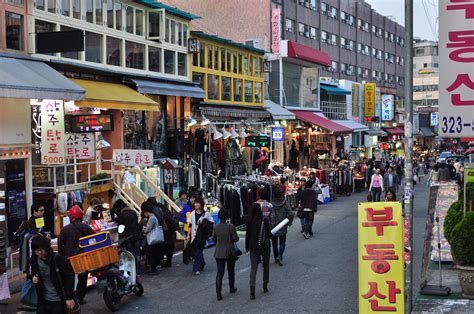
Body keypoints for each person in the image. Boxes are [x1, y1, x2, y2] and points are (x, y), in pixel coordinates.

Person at [29, 235, 76, 314]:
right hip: (43, 299)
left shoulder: (57, 258)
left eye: (41, 250)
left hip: (58, 299)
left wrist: (69, 297)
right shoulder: (34, 260)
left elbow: (69, 276)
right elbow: (32, 274)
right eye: (37, 251)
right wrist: (33, 278)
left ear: (46, 247)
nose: (39, 253)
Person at [57, 204, 94, 305]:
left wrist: (64, 257)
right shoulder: (86, 227)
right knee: (83, 279)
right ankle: (80, 298)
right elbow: (93, 240)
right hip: (83, 258)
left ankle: (70, 298)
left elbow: (60, 246)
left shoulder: (65, 230)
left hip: (68, 259)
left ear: (71, 217)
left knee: (69, 278)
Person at [246, 199, 273, 300]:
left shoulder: (249, 221)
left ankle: (252, 291)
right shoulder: (264, 220)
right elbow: (269, 234)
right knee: (266, 266)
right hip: (264, 246)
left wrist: (247, 248)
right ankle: (265, 285)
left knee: (254, 269)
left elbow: (247, 236)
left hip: (253, 247)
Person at [212, 209, 239, 301]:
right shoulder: (230, 226)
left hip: (219, 252)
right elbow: (236, 238)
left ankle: (218, 294)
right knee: (231, 270)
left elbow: (214, 239)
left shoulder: (215, 227)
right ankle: (232, 288)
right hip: (230, 251)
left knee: (220, 273)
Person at [188, 197, 214, 275]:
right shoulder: (192, 213)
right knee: (195, 251)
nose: (195, 204)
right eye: (195, 203)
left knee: (198, 251)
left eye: (197, 203)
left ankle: (196, 268)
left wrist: (204, 222)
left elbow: (211, 223)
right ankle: (202, 263)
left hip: (201, 237)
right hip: (194, 235)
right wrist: (188, 234)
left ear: (201, 204)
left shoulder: (206, 214)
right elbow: (190, 224)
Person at [116, 206, 143, 274]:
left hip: (128, 237)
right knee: (137, 254)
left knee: (130, 255)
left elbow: (121, 227)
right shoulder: (134, 213)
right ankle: (138, 270)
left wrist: (121, 239)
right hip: (136, 236)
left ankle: (132, 271)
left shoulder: (122, 215)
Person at [271, 185, 293, 265]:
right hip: (282, 225)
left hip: (273, 226)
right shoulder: (285, 203)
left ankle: (276, 257)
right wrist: (289, 222)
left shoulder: (270, 204)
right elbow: (290, 213)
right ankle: (279, 256)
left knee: (274, 243)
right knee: (282, 242)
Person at [142, 203, 162, 274]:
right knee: (153, 254)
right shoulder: (154, 217)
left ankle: (153, 269)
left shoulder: (152, 218)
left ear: (146, 212)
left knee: (150, 254)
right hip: (154, 239)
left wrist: (143, 230)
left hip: (151, 239)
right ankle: (154, 268)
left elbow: (148, 229)